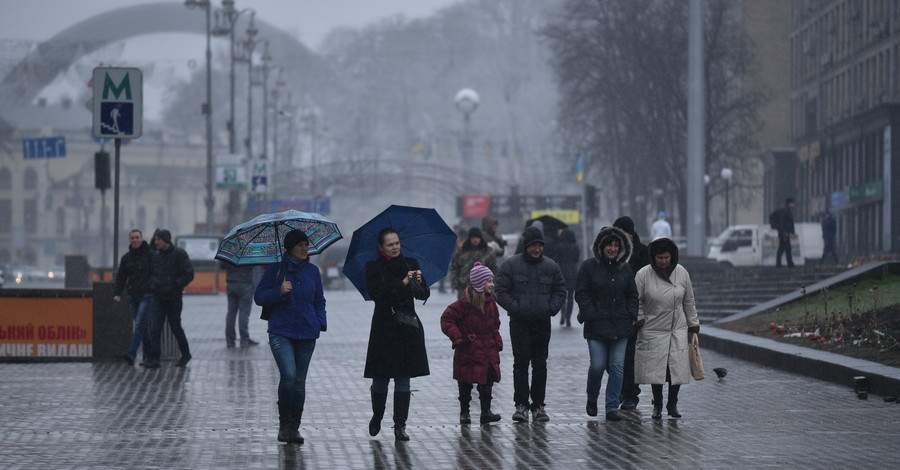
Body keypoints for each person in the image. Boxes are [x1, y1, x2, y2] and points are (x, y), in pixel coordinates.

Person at [254, 230, 327, 444]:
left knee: (299, 382)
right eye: (300, 245)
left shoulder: (313, 271)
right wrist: (279, 291)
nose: (305, 248)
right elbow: (259, 297)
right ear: (290, 248)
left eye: (306, 244)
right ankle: (284, 425)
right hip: (281, 331)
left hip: (307, 332)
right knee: (289, 375)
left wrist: (320, 322)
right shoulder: (276, 269)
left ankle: (294, 428)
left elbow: (319, 300)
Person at [364, 227, 430, 442]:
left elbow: (422, 295)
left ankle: (400, 425)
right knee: (380, 379)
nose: (395, 247)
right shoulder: (373, 267)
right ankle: (378, 415)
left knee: (404, 379)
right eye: (390, 244)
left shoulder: (410, 263)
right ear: (381, 247)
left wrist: (420, 281)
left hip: (407, 328)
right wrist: (401, 283)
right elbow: (378, 295)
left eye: (397, 243)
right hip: (384, 329)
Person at [494, 226, 566, 422]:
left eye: (540, 245)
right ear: (526, 246)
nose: (537, 249)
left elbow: (561, 290)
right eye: (533, 245)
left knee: (540, 365)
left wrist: (551, 309)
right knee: (521, 364)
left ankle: (539, 406)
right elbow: (499, 290)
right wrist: (515, 308)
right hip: (519, 323)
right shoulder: (511, 265)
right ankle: (521, 405)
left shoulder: (551, 266)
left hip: (542, 322)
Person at [574, 226, 638, 421]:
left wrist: (630, 313)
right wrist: (591, 313)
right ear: (601, 246)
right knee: (597, 366)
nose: (612, 249)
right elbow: (581, 293)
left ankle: (611, 406)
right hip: (596, 326)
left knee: (617, 366)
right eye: (609, 245)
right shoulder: (588, 267)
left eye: (616, 245)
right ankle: (592, 397)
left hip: (621, 326)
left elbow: (632, 294)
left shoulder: (625, 268)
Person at [634, 237, 700, 420]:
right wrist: (640, 319)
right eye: (659, 258)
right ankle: (657, 404)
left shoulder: (682, 273)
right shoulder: (643, 275)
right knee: (657, 372)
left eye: (666, 257)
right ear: (653, 258)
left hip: (676, 328)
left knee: (675, 370)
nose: (663, 261)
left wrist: (693, 323)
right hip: (653, 329)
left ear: (672, 257)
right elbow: (636, 300)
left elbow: (689, 300)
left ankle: (673, 404)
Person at [440, 262, 503, 425]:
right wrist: (456, 336)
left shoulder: (491, 303)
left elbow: (495, 324)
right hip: (468, 348)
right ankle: (464, 412)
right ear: (480, 284)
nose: (492, 284)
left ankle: (486, 412)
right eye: (489, 281)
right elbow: (447, 319)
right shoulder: (464, 304)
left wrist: (497, 340)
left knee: (487, 381)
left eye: (492, 281)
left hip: (488, 348)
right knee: (465, 380)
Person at [612, 216, 650, 410]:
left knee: (630, 356)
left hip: (635, 310)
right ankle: (618, 389)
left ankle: (630, 394)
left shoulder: (643, 253)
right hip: (612, 311)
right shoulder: (610, 252)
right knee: (613, 357)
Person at [144, 229, 194, 369]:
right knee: (155, 329)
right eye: (155, 239)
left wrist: (175, 285)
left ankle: (185, 354)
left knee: (176, 327)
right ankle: (154, 359)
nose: (156, 242)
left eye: (158, 239)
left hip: (173, 298)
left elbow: (189, 274)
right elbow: (152, 273)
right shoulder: (156, 256)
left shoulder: (179, 254)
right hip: (158, 297)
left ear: (166, 240)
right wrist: (153, 285)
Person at [113, 229, 154, 366]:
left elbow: (157, 273)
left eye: (137, 237)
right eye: (132, 238)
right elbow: (121, 277)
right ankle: (149, 357)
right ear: (129, 240)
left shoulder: (150, 255)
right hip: (133, 296)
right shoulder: (126, 258)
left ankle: (131, 353)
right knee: (142, 327)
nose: (135, 240)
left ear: (142, 239)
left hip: (147, 295)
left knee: (139, 325)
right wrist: (117, 293)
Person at [450, 227, 497, 298]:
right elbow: (454, 267)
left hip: (483, 288)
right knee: (464, 308)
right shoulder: (461, 251)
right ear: (470, 238)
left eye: (477, 237)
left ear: (480, 238)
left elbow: (494, 268)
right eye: (473, 237)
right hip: (464, 287)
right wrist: (456, 284)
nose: (475, 239)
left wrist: (492, 284)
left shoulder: (488, 252)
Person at [221, 262, 260, 348]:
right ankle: (244, 340)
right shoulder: (248, 249)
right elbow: (253, 265)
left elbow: (222, 265)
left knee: (231, 312)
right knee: (244, 312)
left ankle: (230, 340)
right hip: (245, 282)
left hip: (231, 282)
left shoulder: (229, 248)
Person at [553, 228, 580, 327]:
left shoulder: (558, 246)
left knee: (561, 295)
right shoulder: (575, 247)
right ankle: (568, 317)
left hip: (562, 271)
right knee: (570, 296)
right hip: (573, 272)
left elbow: (556, 259)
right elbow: (577, 259)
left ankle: (563, 313)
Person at [770, 198, 796, 268]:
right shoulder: (785, 211)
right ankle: (788, 264)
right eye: (792, 203)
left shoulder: (785, 211)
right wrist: (785, 231)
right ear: (789, 203)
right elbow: (784, 222)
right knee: (785, 248)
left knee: (784, 248)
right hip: (784, 233)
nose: (794, 204)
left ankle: (784, 264)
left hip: (783, 232)